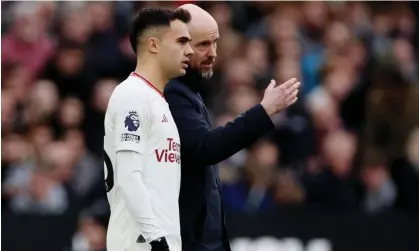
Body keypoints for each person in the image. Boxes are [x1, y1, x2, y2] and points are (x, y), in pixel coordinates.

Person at [164, 4, 301, 251]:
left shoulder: (191, 92)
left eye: (215, 43)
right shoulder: (173, 93)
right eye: (203, 44)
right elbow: (206, 147)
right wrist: (264, 111)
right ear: (180, 44)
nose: (213, 53)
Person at [103, 8, 193, 251]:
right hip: (140, 243)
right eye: (181, 41)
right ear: (153, 45)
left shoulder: (157, 100)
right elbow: (128, 176)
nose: (190, 50)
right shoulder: (132, 94)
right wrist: (156, 239)